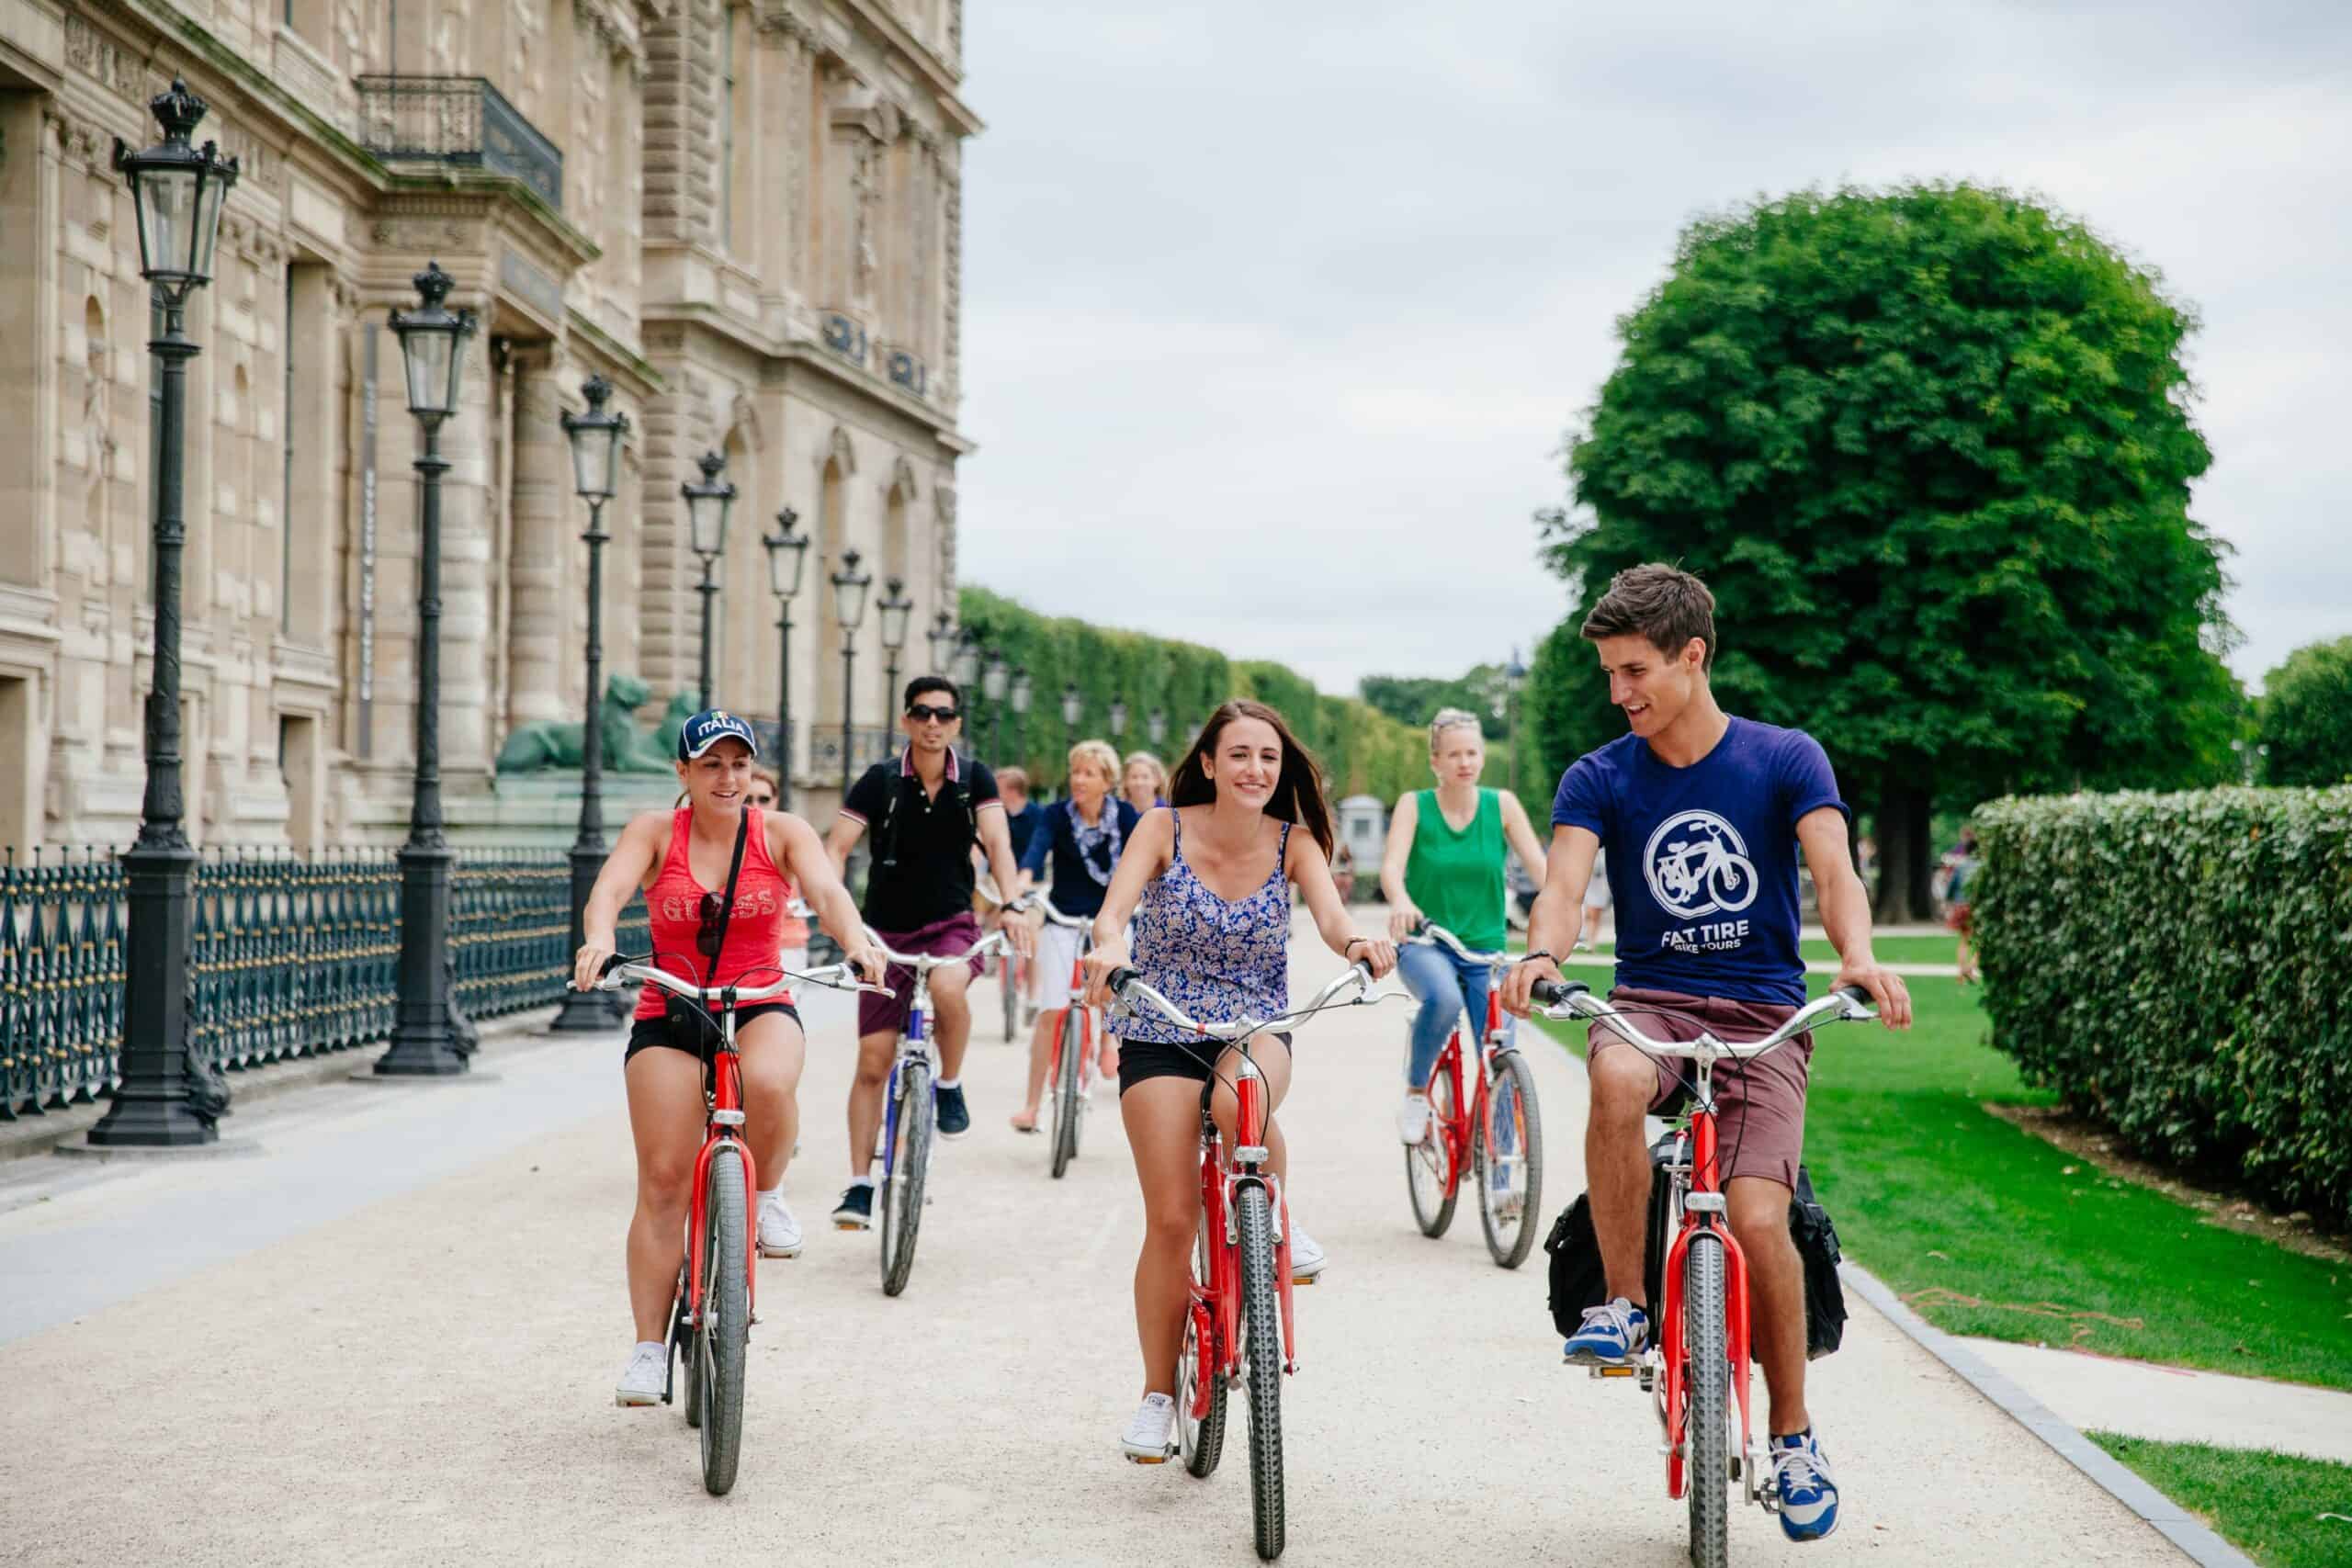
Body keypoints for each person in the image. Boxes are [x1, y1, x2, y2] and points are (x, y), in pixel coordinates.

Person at [1498, 564, 1912, 1544]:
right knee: (1613, 1072)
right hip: (1650, 1003)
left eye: (1634, 670)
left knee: (1762, 1221)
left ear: (1692, 656)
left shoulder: (1785, 758)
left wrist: (1854, 957)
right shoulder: (1598, 775)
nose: (1618, 692)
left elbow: (1832, 869)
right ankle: (1628, 1305)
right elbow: (1560, 883)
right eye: (1608, 673)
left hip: (1762, 1015)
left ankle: (1794, 1437)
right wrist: (1544, 951)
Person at [1079, 700, 1396, 1463]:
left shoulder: (1296, 842)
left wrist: (1358, 942)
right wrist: (1107, 949)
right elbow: (1112, 913)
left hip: (1254, 1019)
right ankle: (1159, 1395)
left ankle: (1273, 1213)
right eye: (1242, 755)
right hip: (1159, 1021)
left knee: (1237, 1097)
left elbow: (1329, 917)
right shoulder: (1163, 827)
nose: (1257, 769)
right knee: (1171, 1220)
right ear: (1211, 763)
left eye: (1270, 758)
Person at [569, 710, 884, 1407]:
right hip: (672, 1006)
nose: (728, 776)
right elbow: (610, 890)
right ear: (683, 773)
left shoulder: (782, 832)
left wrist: (857, 942)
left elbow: (829, 894)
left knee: (770, 1082)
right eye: (711, 763)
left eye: (739, 763)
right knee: (661, 1180)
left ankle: (766, 1193)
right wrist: (597, 938)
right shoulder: (655, 832)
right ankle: (650, 1347)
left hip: (759, 998)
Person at [823, 676, 1034, 1230]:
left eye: (943, 714)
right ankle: (861, 1185)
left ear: (957, 724)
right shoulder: (880, 781)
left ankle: (947, 1083)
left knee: (947, 987)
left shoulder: (976, 781)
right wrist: (837, 915)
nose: (932, 723)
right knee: (872, 1062)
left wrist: (1011, 904)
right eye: (922, 713)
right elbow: (835, 849)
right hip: (883, 936)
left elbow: (1000, 845)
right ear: (907, 721)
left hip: (950, 924)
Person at [1378, 707, 1548, 1144]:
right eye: (1453, 754)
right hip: (1426, 942)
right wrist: (1400, 900)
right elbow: (1392, 868)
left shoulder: (1502, 805)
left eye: (1472, 752)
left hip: (1486, 950)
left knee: (1502, 1053)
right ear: (1435, 761)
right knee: (1443, 999)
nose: (1465, 762)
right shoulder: (1414, 805)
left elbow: (1542, 871)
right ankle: (1417, 1093)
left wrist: (1564, 910)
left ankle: (1505, 1175)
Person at [1009, 739, 1140, 1131]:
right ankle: (1032, 1106)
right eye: (1075, 772)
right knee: (1051, 1010)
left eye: (1089, 773)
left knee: (1111, 991)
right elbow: (1034, 855)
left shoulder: (1128, 817)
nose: (1078, 780)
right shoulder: (1056, 815)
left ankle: (1109, 1040)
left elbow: (1144, 861)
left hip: (1111, 923)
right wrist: (1019, 888)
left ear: (1107, 781)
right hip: (1063, 918)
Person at [745, 766, 809, 969]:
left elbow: (820, 892)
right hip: (741, 951)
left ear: (775, 801)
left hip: (786, 946)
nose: (756, 806)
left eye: (763, 799)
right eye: (748, 799)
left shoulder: (789, 838)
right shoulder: (722, 842)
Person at [1943, 827, 1981, 983]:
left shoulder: (1961, 867)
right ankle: (1970, 968)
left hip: (1961, 906)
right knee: (1981, 942)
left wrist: (1948, 901)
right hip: (1976, 906)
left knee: (1964, 940)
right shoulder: (1981, 866)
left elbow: (1951, 887)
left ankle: (1962, 972)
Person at [1120, 750, 1168, 816]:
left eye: (1145, 777)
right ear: (1125, 781)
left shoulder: (1168, 812)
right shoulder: (1117, 813)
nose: (1139, 783)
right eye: (1134, 777)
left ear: (1157, 780)